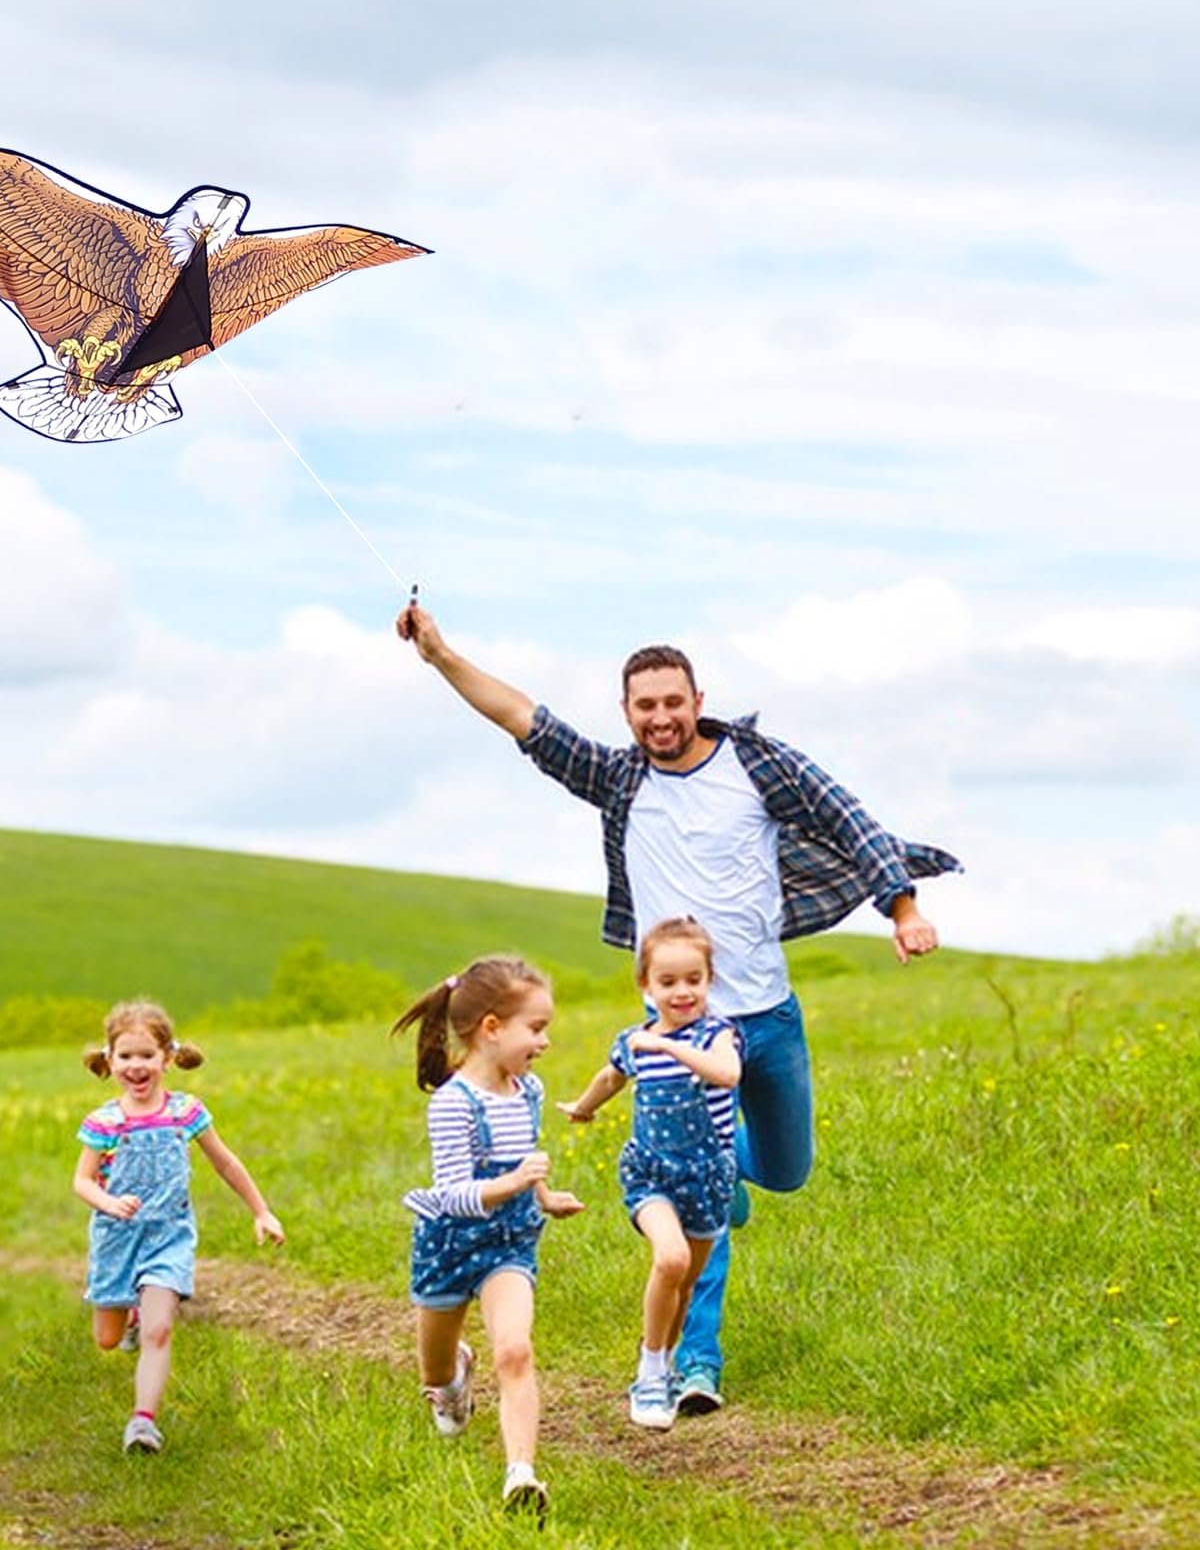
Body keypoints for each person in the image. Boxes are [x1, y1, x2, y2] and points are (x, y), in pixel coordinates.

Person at [397, 601, 960, 1413]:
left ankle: (723, 1176)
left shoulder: (759, 765)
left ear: (697, 701)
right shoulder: (618, 778)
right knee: (698, 1200)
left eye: (672, 702)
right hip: (677, 1039)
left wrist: (902, 909)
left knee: (785, 1170)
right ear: (626, 714)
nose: (659, 718)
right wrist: (442, 655)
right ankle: (692, 1365)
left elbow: (849, 817)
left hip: (764, 1020)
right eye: (643, 706)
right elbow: (520, 717)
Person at [393, 956, 584, 1517]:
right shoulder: (452, 1102)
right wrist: (516, 1182)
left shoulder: (528, 1091)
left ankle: (520, 1475)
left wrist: (544, 1197)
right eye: (537, 1027)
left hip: (507, 1244)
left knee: (517, 1350)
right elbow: (452, 1193)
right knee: (434, 1373)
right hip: (449, 1247)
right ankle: (454, 1377)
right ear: (492, 1028)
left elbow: (526, 1164)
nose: (545, 1041)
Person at [73, 1000, 285, 1454]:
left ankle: (143, 1423)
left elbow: (225, 1163)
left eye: (146, 1055)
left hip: (168, 1238)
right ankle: (128, 1314)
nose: (136, 1065)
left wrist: (261, 1211)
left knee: (160, 1331)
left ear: (167, 1058)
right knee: (107, 1340)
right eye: (126, 1056)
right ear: (110, 1061)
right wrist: (109, 1202)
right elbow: (82, 1181)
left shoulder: (186, 1112)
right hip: (116, 1240)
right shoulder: (104, 1122)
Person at [558, 917, 741, 1429]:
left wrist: (669, 1046)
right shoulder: (633, 1040)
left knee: (685, 1283)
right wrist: (584, 1106)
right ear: (646, 985)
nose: (681, 991)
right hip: (652, 1175)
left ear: (709, 980)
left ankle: (666, 1356)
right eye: (667, 982)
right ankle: (650, 1374)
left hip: (707, 1180)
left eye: (693, 979)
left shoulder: (718, 1035)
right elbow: (611, 1074)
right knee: (671, 1259)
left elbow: (727, 1075)